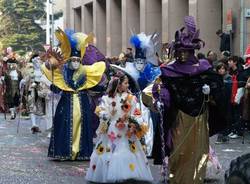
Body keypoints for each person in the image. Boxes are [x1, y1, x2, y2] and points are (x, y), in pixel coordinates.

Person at [152, 16, 227, 183]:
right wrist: (161, 100)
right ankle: (175, 180)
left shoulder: (203, 68)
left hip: (199, 119)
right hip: (179, 118)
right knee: (179, 152)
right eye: (180, 52)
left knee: (198, 153)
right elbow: (162, 88)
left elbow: (218, 88)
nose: (183, 55)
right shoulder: (170, 71)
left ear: (192, 51)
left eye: (186, 51)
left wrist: (210, 92)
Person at [41, 29, 106, 160]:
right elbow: (57, 87)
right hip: (66, 105)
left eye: (78, 60)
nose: (76, 63)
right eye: (73, 60)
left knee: (83, 125)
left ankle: (81, 152)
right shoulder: (62, 73)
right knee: (65, 125)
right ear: (69, 61)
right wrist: (54, 85)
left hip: (82, 105)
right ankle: (65, 152)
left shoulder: (86, 72)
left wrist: (102, 88)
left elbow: (94, 85)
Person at [86, 71, 153, 183]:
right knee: (111, 150)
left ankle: (128, 173)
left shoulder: (131, 98)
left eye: (128, 83)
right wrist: (107, 115)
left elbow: (136, 113)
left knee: (127, 150)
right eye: (126, 83)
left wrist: (134, 122)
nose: (128, 86)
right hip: (111, 130)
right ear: (118, 84)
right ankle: (111, 173)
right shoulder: (106, 98)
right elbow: (101, 111)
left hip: (127, 130)